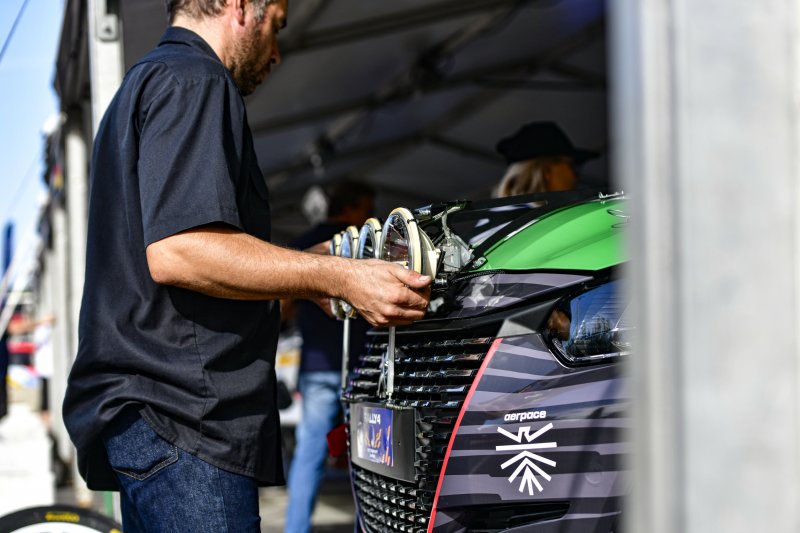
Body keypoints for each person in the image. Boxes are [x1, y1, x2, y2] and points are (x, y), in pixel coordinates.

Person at [62, 2, 431, 532]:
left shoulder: (144, 83)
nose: (276, 52)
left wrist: (308, 269)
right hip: (185, 417)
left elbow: (182, 247)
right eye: (276, 25)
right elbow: (181, 249)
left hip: (154, 415)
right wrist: (338, 276)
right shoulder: (196, 80)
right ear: (240, 6)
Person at [284, 181, 374, 533]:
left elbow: (284, 306)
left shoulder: (304, 246)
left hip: (318, 365)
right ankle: (368, 525)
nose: (370, 215)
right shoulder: (364, 245)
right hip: (361, 366)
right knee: (369, 459)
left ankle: (295, 529)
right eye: (367, 207)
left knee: (309, 455)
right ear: (351, 208)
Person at [494, 121, 598, 197]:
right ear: (547, 171)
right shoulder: (566, 218)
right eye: (571, 166)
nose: (575, 176)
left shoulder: (499, 218)